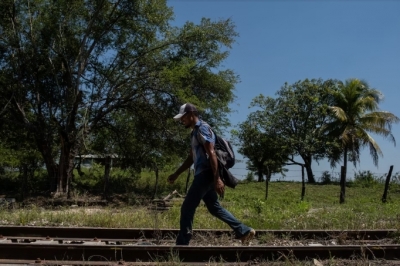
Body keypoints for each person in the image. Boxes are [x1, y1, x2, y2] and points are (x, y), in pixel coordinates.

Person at [168, 103, 255, 245]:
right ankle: (244, 231)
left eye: (183, 118)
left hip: (206, 174)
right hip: (205, 174)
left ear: (191, 115)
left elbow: (212, 153)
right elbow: (191, 158)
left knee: (187, 207)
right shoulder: (194, 132)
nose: (181, 121)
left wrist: (217, 179)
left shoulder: (202, 128)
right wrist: (177, 173)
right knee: (214, 207)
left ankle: (182, 244)